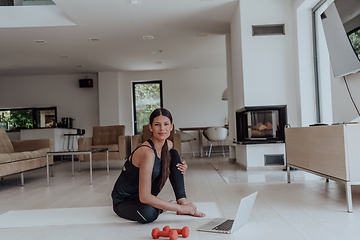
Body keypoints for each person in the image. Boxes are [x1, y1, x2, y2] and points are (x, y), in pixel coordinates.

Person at [111, 108, 205, 223]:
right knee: (148, 213)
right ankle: (176, 207)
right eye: (157, 124)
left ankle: (183, 202)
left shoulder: (168, 144)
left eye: (166, 124)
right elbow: (144, 197)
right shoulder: (147, 152)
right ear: (150, 127)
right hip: (125, 201)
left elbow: (173, 162)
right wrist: (175, 208)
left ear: (171, 127)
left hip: (146, 194)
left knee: (173, 154)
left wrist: (181, 166)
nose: (162, 129)